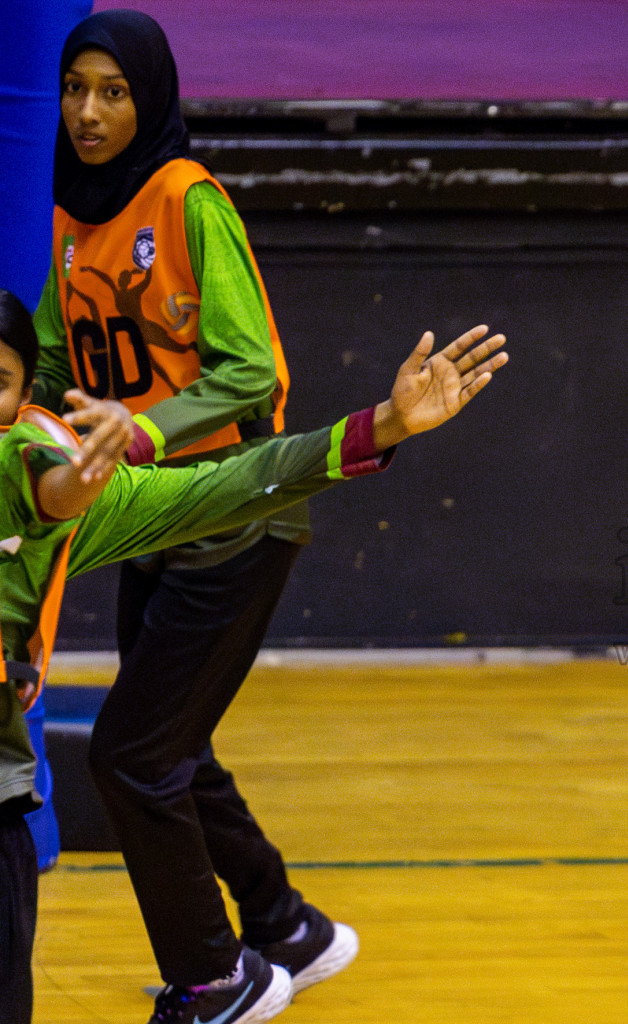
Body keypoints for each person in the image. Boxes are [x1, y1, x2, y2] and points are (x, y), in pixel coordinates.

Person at [0, 284, 506, 1024]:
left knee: (142, 754)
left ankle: (242, 958)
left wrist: (384, 424)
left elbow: (223, 483)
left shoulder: (33, 487)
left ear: (19, 399)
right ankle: (273, 929)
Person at [29, 8, 356, 1008]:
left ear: (152, 99)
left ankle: (220, 978)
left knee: (134, 752)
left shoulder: (187, 201)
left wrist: (140, 428)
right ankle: (288, 928)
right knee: (171, 740)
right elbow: (50, 354)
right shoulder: (70, 208)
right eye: (76, 89)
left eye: (113, 92)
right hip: (154, 513)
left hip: (238, 511)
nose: (88, 112)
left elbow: (250, 370)